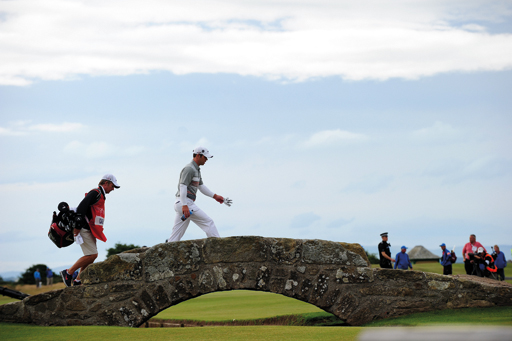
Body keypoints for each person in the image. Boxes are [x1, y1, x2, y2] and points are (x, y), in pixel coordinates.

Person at [60, 174, 120, 287]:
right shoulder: (96, 193)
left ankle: (78, 280)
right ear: (106, 183)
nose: (113, 189)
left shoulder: (99, 194)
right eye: (112, 186)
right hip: (83, 228)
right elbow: (81, 208)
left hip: (89, 229)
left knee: (90, 256)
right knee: (92, 255)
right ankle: (68, 273)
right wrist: (77, 228)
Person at [167, 147, 228, 242]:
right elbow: (182, 187)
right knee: (208, 222)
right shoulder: (189, 169)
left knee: (176, 234)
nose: (207, 160)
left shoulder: (196, 170)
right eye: (205, 157)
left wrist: (215, 196)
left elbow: (201, 186)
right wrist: (185, 205)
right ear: (198, 155)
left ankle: (167, 252)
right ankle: (218, 246)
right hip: (185, 202)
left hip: (182, 203)